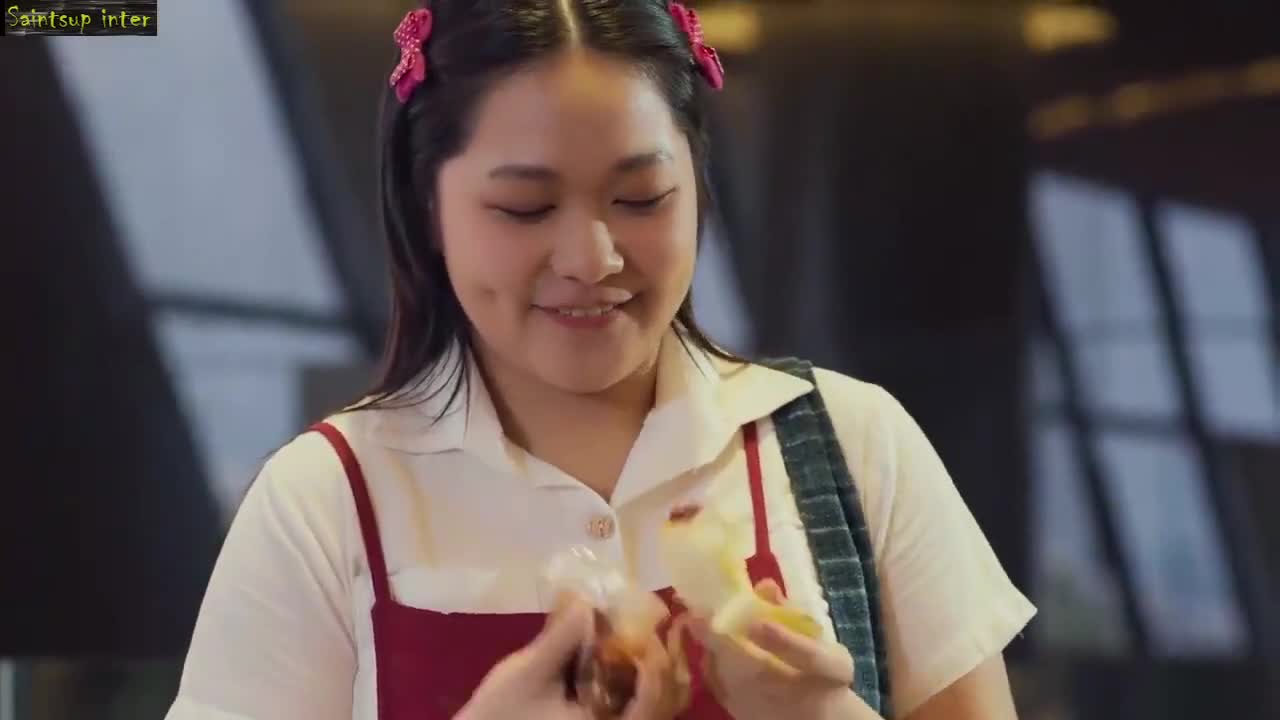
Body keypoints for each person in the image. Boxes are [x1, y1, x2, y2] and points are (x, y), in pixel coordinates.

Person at [165, 0, 1036, 718]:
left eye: (641, 198)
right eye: (524, 208)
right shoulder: (326, 500)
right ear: (427, 209)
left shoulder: (854, 445)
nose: (592, 258)